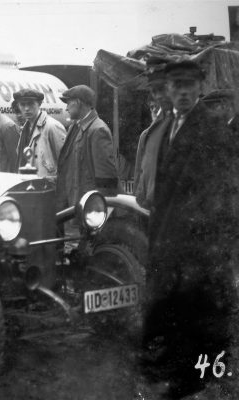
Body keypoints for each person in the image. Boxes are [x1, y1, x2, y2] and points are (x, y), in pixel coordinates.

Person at [139, 60, 239, 399]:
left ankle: (201, 379)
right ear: (167, 90)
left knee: (201, 313)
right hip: (170, 237)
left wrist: (191, 240)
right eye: (176, 85)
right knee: (178, 311)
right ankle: (179, 371)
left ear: (199, 88)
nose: (183, 92)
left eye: (189, 85)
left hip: (199, 244)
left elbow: (219, 194)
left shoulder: (213, 129)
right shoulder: (168, 125)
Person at [55, 85, 118, 210]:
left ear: (78, 102)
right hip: (76, 204)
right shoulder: (75, 127)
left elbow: (105, 179)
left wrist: (97, 212)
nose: (66, 108)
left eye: (69, 103)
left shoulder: (98, 130)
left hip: (89, 208)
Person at [133, 65, 174, 209]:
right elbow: (140, 170)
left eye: (162, 89)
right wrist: (138, 197)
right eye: (152, 107)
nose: (155, 110)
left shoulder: (175, 124)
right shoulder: (147, 134)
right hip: (149, 203)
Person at [14, 89, 66, 178]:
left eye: (30, 104)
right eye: (22, 104)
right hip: (29, 181)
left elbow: (66, 162)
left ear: (39, 104)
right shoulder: (25, 128)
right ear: (18, 105)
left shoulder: (52, 126)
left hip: (47, 183)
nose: (26, 108)